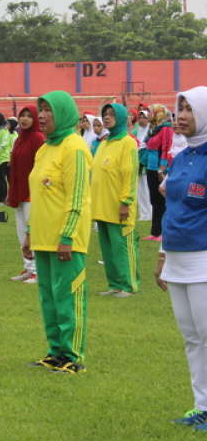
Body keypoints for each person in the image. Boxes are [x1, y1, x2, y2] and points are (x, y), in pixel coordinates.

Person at [24, 91, 93, 374]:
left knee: (67, 297)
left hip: (66, 239)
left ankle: (72, 356)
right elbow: (37, 194)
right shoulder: (44, 148)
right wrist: (30, 233)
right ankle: (55, 351)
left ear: (63, 112)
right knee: (49, 298)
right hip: (43, 236)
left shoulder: (74, 147)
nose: (41, 115)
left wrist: (67, 236)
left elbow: (78, 197)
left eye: (48, 110)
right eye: (40, 109)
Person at [155, 86, 207, 429]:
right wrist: (162, 254)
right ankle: (201, 406)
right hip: (176, 257)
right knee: (191, 338)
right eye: (180, 109)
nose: (182, 116)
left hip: (203, 258)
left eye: (189, 109)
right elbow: (171, 209)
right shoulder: (181, 155)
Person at [91, 103, 141, 297]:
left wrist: (125, 202)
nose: (107, 117)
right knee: (108, 248)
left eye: (112, 114)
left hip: (119, 206)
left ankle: (129, 285)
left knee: (123, 247)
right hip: (102, 206)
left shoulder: (128, 142)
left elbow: (129, 173)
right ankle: (114, 284)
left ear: (120, 118)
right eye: (105, 114)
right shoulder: (104, 143)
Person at [6, 106, 45, 284]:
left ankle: (38, 271)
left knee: (33, 232)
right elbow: (14, 169)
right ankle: (28, 268)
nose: (25, 119)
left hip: (32, 194)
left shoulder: (38, 138)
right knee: (22, 233)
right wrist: (11, 191)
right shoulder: (19, 139)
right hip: (19, 192)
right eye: (22, 116)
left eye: (29, 116)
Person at [145, 104, 174, 241]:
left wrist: (162, 168)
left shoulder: (166, 128)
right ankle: (155, 232)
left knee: (161, 201)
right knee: (154, 200)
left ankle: (164, 232)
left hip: (159, 169)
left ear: (158, 113)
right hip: (150, 168)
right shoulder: (153, 129)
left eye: (150, 112)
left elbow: (167, 147)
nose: (148, 114)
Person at [133, 109, 153, 221]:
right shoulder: (137, 132)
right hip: (138, 163)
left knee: (147, 189)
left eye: (144, 117)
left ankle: (150, 213)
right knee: (140, 191)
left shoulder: (150, 131)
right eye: (140, 117)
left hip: (146, 164)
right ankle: (143, 214)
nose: (141, 120)